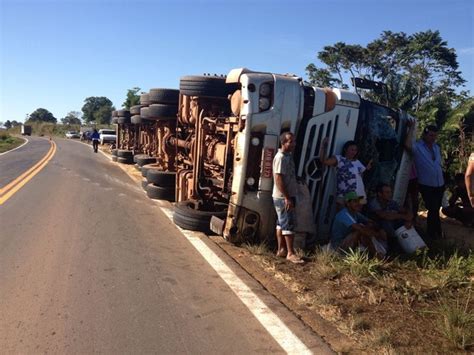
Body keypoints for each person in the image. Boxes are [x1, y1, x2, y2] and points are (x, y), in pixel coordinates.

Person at [405, 123, 444, 239]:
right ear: (425, 134)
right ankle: (432, 234)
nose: (433, 138)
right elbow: (406, 145)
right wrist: (411, 128)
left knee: (436, 209)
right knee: (432, 208)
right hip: (426, 184)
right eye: (431, 135)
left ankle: (436, 232)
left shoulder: (437, 147)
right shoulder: (418, 146)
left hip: (439, 183)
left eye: (435, 136)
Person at [273, 132, 304, 264]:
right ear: (283, 143)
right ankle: (290, 253)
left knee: (280, 223)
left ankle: (281, 250)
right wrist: (287, 197)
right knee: (288, 224)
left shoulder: (288, 156)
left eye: (294, 141)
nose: (293, 144)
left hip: (285, 195)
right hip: (283, 197)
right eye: (290, 141)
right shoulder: (280, 157)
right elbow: (278, 178)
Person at [331, 191, 387, 259]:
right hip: (339, 246)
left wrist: (379, 229)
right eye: (355, 201)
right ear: (348, 203)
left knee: (366, 228)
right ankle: (376, 255)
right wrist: (378, 235)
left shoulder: (355, 213)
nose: (359, 204)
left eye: (359, 201)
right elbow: (361, 230)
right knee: (361, 231)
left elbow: (371, 222)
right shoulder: (344, 214)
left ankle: (373, 254)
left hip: (349, 241)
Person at [320, 138, 372, 209]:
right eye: (352, 149)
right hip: (344, 194)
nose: (354, 152)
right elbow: (325, 161)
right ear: (345, 149)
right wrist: (323, 146)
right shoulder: (339, 159)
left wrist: (367, 168)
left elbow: (360, 177)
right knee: (342, 216)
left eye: (355, 150)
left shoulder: (358, 162)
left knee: (354, 217)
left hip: (359, 194)